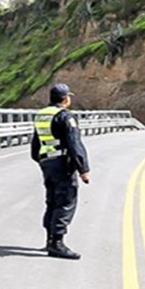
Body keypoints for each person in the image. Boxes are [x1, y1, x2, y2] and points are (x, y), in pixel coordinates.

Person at [30, 83, 90, 259]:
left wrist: (41, 160)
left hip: (47, 163)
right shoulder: (65, 116)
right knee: (65, 202)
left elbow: (36, 143)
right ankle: (57, 244)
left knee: (52, 201)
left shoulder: (41, 115)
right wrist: (83, 169)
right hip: (62, 164)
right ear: (65, 99)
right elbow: (74, 144)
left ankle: (49, 241)